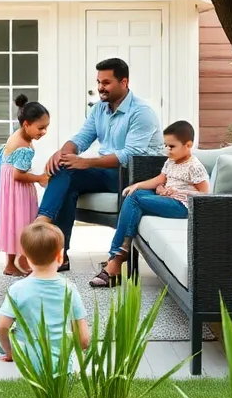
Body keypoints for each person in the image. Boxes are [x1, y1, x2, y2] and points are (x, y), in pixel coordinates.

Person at [37, 58, 164, 270]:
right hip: (107, 172)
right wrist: (61, 154)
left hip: (134, 176)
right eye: (98, 82)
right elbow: (81, 139)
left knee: (70, 174)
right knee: (64, 171)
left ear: (124, 82)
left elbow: (130, 155)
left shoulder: (142, 112)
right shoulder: (99, 109)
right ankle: (52, 240)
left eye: (106, 82)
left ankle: (44, 228)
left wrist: (85, 163)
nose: (100, 88)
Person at [90, 120, 209, 287]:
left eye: (172, 146)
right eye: (166, 146)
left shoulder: (194, 166)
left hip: (181, 207)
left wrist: (177, 192)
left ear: (188, 145)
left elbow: (205, 194)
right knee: (135, 194)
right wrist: (137, 185)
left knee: (135, 199)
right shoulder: (171, 161)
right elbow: (160, 179)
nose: (167, 150)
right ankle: (118, 255)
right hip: (168, 200)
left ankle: (116, 258)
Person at [0, 222, 90, 371]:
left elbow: (2, 327)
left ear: (26, 258)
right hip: (62, 367)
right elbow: (84, 340)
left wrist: (10, 352)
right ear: (60, 256)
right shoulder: (70, 290)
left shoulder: (17, 290)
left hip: (28, 366)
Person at [0, 95, 50, 277]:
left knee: (12, 221)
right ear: (26, 124)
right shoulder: (25, 147)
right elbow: (18, 175)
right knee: (23, 221)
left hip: (7, 187)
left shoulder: (17, 134)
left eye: (46, 127)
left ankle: (10, 264)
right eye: (41, 128)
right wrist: (40, 178)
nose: (44, 132)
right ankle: (23, 259)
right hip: (17, 189)